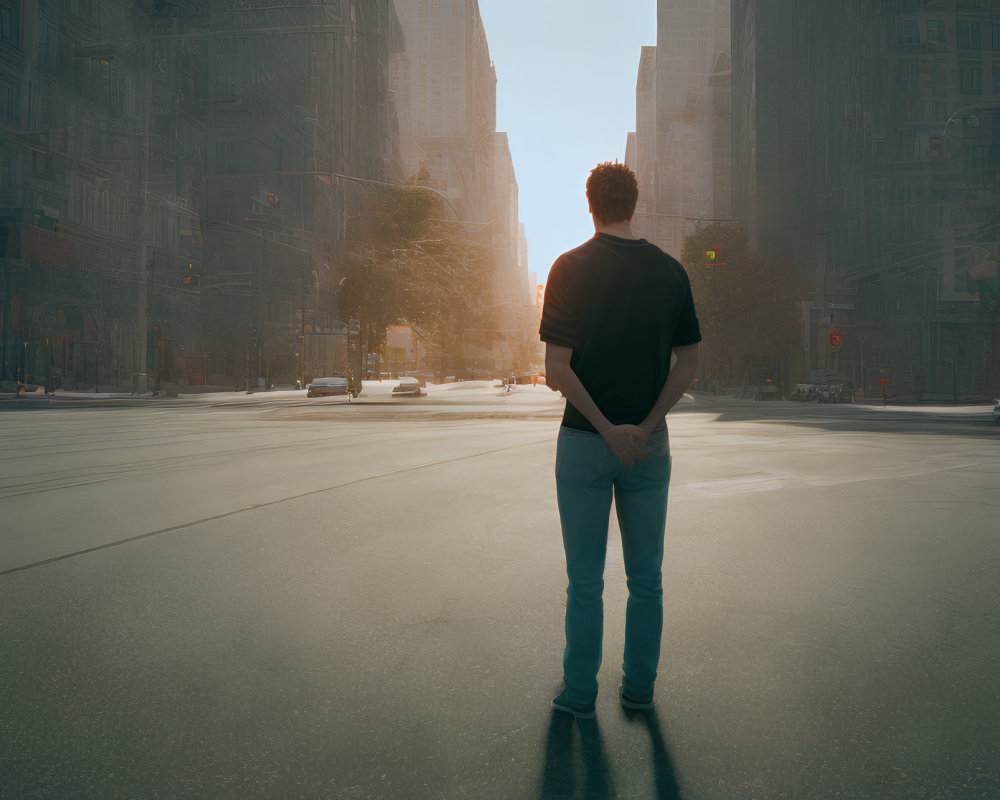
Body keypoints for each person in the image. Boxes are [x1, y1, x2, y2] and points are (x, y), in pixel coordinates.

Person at [539, 161, 701, 719]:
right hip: (649, 448)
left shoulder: (568, 268)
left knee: (585, 581)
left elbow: (557, 369)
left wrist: (607, 429)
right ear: (635, 204)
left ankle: (580, 694)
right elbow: (689, 363)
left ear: (591, 205)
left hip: (585, 441)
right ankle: (638, 691)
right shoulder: (672, 272)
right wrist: (646, 427)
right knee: (646, 580)